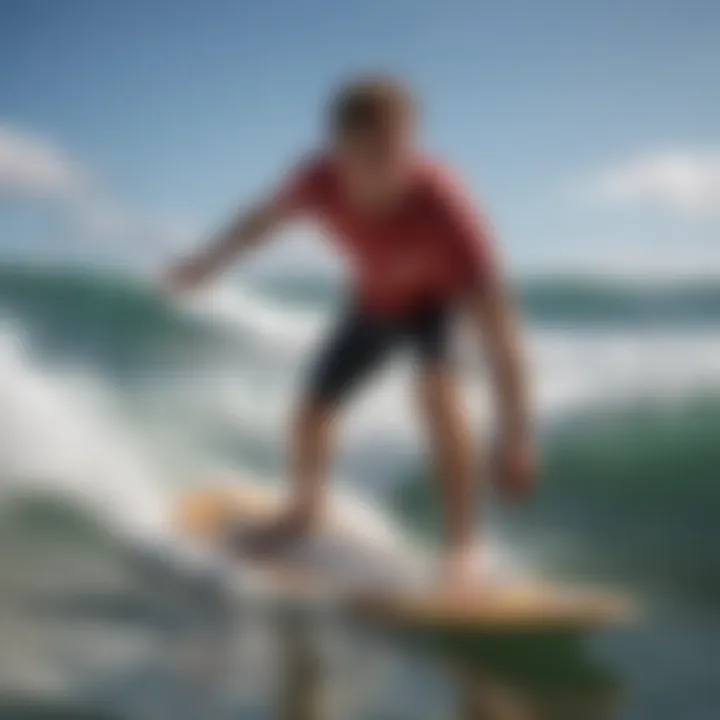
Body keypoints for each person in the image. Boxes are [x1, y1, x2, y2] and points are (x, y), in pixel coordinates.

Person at [165, 75, 535, 589]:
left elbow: (502, 333)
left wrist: (516, 435)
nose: (387, 171)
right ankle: (303, 511)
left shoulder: (447, 207)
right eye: (369, 156)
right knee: (311, 411)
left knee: (437, 397)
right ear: (337, 151)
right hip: (372, 302)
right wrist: (207, 262)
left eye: (398, 153)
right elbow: (259, 222)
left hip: (433, 306)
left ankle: (464, 549)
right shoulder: (317, 182)